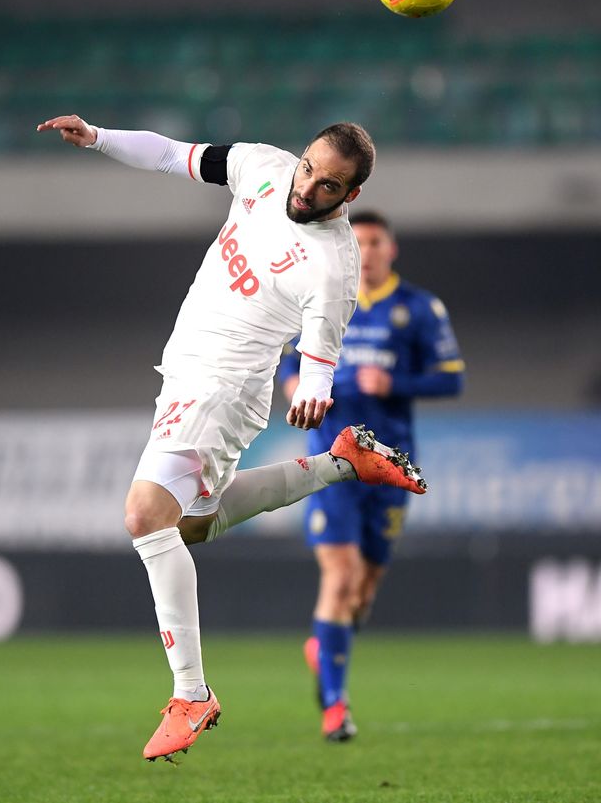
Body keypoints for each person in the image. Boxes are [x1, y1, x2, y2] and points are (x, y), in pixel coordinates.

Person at [37, 115, 427, 763]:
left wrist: (314, 388)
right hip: (188, 370)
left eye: (329, 185)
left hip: (223, 386)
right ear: (299, 157)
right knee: (188, 527)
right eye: (309, 168)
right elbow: (170, 153)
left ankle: (191, 691)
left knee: (144, 515)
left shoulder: (332, 266)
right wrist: (99, 137)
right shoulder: (262, 166)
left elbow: (321, 358)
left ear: (348, 197)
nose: (307, 188)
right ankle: (339, 462)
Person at [279, 210, 464, 742]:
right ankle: (335, 707)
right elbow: (290, 376)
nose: (367, 250)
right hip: (332, 465)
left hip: (392, 469)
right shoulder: (318, 299)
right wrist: (303, 395)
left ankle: (324, 645)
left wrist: (395, 382)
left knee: (361, 593)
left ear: (391, 248)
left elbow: (453, 380)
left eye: (376, 241)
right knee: (338, 580)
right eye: (357, 242)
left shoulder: (420, 309)